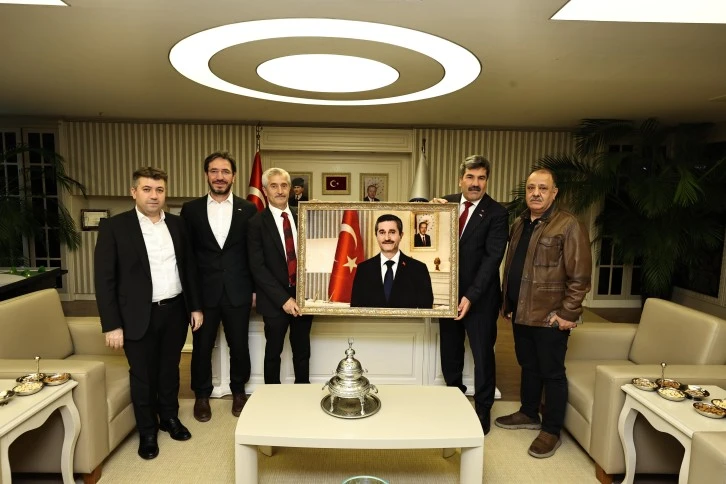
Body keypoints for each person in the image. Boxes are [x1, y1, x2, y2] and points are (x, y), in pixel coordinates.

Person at [94, 167, 203, 460]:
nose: (154, 196)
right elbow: (104, 280)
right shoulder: (115, 227)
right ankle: (147, 430)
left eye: (159, 190)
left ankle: (169, 417)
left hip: (175, 311)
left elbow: (189, 268)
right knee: (142, 375)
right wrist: (112, 325)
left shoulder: (178, 225)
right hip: (136, 316)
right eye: (147, 189)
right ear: (134, 192)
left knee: (169, 370)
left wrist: (195, 306)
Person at [495, 168, 592, 458]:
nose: (535, 193)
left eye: (542, 188)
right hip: (522, 312)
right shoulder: (520, 223)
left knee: (552, 373)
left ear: (554, 192)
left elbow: (580, 277)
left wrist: (567, 314)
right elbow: (514, 267)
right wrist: (509, 304)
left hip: (551, 316)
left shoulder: (568, 224)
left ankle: (551, 430)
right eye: (530, 188)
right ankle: (528, 412)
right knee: (528, 365)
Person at [432, 155, 508, 435]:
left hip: (481, 299)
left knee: (482, 355)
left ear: (487, 180)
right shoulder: (445, 204)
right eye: (470, 177)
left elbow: (492, 260)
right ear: (460, 179)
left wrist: (471, 297)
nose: (475, 183)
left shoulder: (497, 213)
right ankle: (454, 399)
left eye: (481, 178)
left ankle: (483, 408)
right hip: (447, 297)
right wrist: (429, 210)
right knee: (450, 353)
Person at [180, 152, 257, 422]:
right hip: (204, 294)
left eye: (225, 171)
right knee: (202, 347)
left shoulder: (248, 209)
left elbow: (253, 254)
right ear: (206, 175)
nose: (219, 177)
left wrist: (255, 290)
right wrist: (192, 301)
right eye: (214, 171)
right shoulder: (191, 210)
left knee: (239, 346)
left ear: (234, 176)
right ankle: (202, 395)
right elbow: (187, 258)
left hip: (238, 290)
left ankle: (239, 391)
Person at [248, 167, 314, 384]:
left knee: (302, 350)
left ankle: (302, 389)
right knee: (273, 353)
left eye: (284, 185)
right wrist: (283, 299)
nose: (280, 190)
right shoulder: (256, 223)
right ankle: (271, 395)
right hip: (273, 300)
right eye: (274, 186)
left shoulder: (304, 216)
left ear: (291, 189)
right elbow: (257, 267)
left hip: (303, 297)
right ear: (265, 190)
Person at [350, 214, 434, 308]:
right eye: (382, 232)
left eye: (392, 232)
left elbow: (426, 311)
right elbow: (356, 310)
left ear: (401, 235)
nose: (387, 238)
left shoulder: (419, 269)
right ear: (376, 235)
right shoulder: (363, 269)